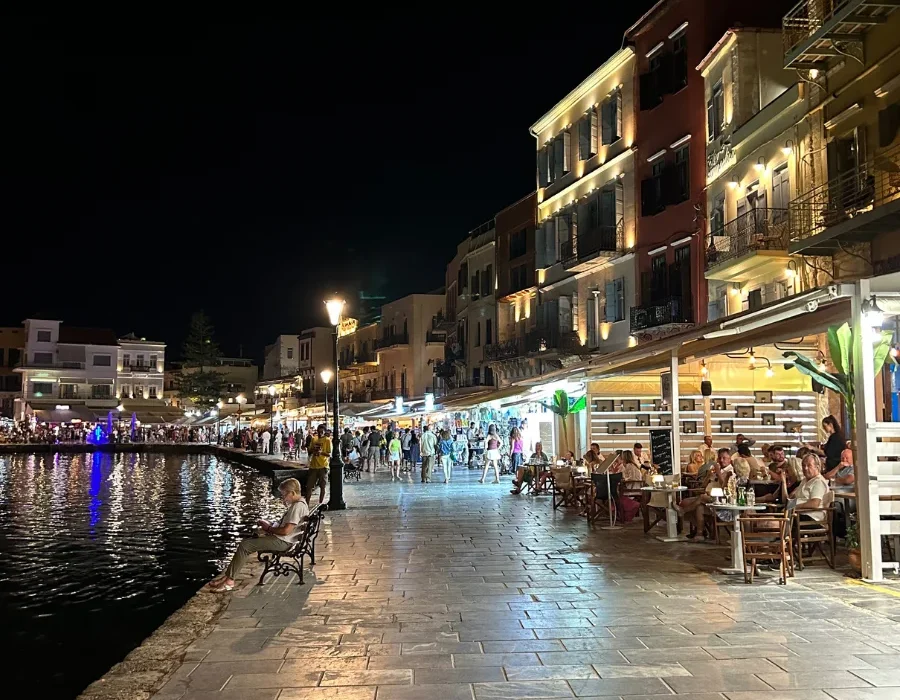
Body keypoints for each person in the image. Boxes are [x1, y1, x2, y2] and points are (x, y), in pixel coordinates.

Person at [207, 478, 309, 591]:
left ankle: (229, 581)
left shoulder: (296, 507)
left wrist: (269, 528)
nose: (283, 498)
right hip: (287, 540)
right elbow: (286, 527)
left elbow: (286, 531)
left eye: (284, 495)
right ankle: (227, 577)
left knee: (245, 546)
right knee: (249, 541)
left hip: (284, 542)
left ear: (292, 493)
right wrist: (270, 525)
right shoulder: (301, 503)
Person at [792, 453, 830, 521]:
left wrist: (794, 507)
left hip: (810, 517)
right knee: (770, 521)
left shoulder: (818, 482)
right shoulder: (804, 481)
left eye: (809, 465)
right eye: (803, 465)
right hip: (797, 514)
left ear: (817, 467)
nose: (805, 468)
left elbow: (814, 503)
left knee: (772, 523)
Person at [307, 424, 331, 505]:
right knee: (309, 486)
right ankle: (306, 503)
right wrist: (312, 449)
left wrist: (321, 452)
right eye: (318, 431)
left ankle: (320, 503)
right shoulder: (314, 439)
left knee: (322, 486)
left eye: (322, 432)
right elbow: (309, 450)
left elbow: (329, 454)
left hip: (323, 466)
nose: (320, 433)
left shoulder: (327, 440)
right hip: (313, 466)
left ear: (324, 432)